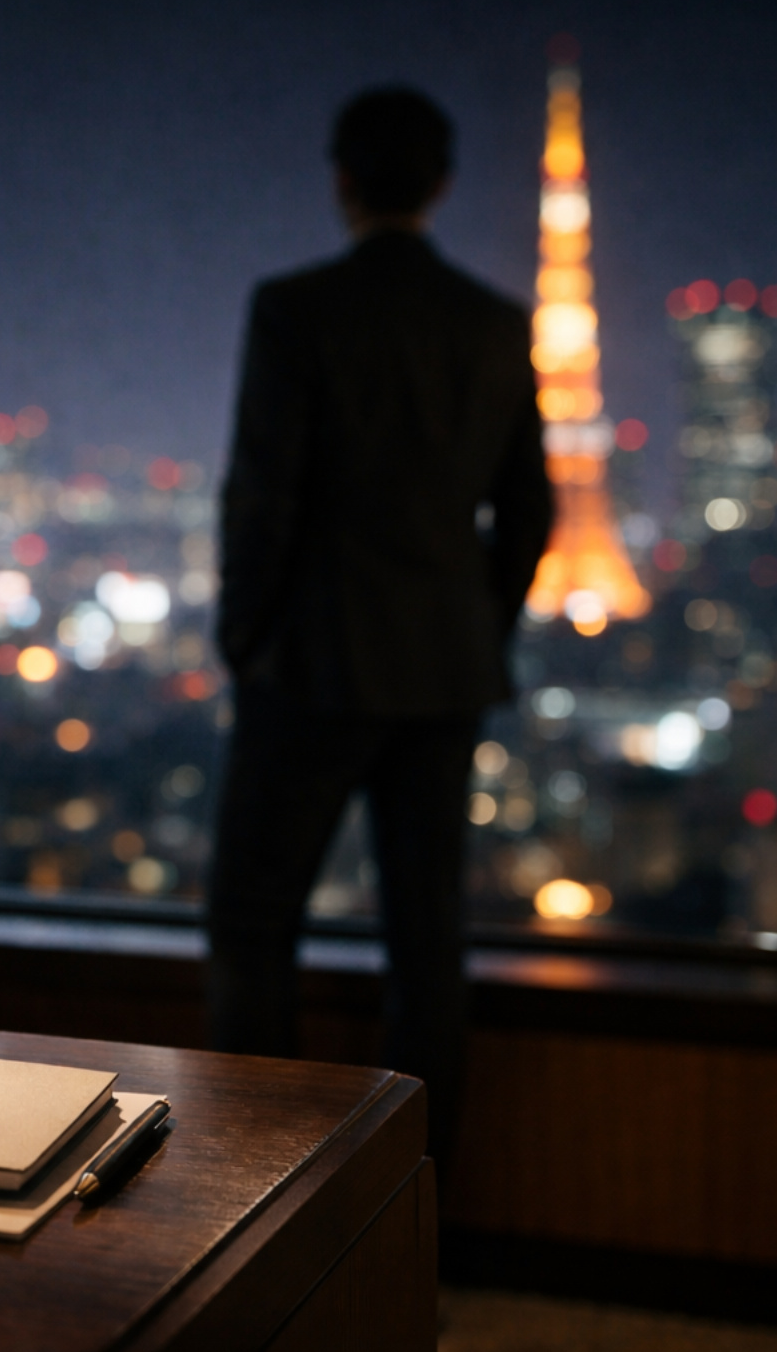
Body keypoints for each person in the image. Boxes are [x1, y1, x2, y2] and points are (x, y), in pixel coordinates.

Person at [206, 87, 553, 1164]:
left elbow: (261, 497)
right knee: (427, 940)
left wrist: (243, 637)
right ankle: (415, 1197)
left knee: (254, 925)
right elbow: (529, 510)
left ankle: (251, 1185)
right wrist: (476, 625)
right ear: (440, 183)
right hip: (443, 672)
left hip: (310, 662)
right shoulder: (494, 322)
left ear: (342, 180)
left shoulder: (295, 310)